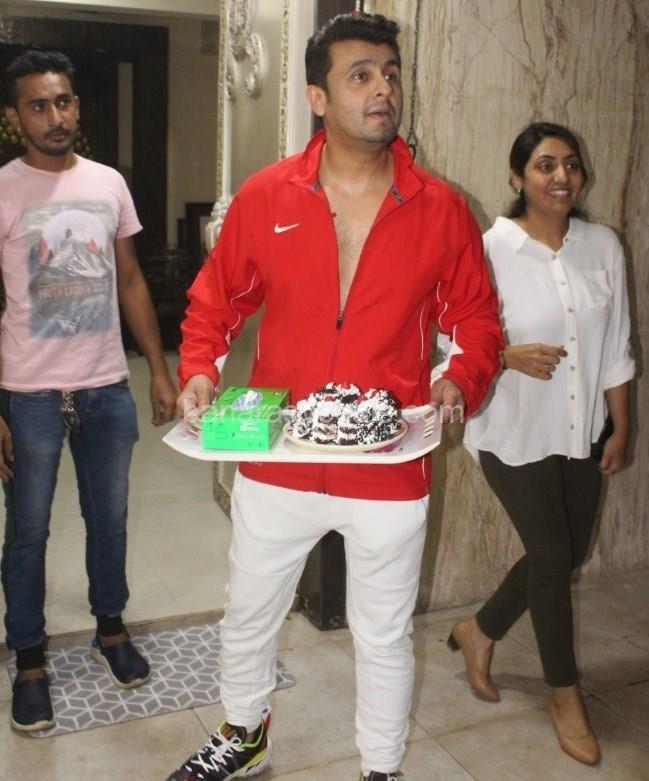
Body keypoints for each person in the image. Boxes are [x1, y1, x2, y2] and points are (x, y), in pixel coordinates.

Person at [167, 13, 502, 781]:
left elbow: (476, 319)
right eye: (360, 75)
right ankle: (243, 735)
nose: (382, 88)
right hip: (278, 454)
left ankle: (380, 767)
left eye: (390, 73)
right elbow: (216, 300)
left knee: (381, 632)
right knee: (249, 611)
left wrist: (460, 379)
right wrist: (198, 368)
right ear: (317, 97)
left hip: (389, 461)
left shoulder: (440, 208)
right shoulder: (266, 195)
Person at [0, 49, 177, 732]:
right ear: (15, 116)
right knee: (28, 530)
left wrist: (157, 367)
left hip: (105, 384)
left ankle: (111, 627)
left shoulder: (108, 183)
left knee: (110, 518)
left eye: (64, 101)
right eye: (39, 105)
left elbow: (129, 280)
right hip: (28, 393)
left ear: (77, 105)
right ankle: (29, 657)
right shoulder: (5, 189)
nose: (55, 116)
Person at [456, 122, 635, 765]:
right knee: (555, 555)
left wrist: (621, 425)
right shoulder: (487, 250)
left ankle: (479, 630)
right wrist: (503, 355)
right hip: (511, 429)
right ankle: (565, 694)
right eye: (545, 165)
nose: (562, 177)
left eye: (571, 164)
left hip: (581, 428)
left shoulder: (602, 245)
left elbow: (616, 343)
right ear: (517, 177)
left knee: (563, 552)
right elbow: (451, 343)